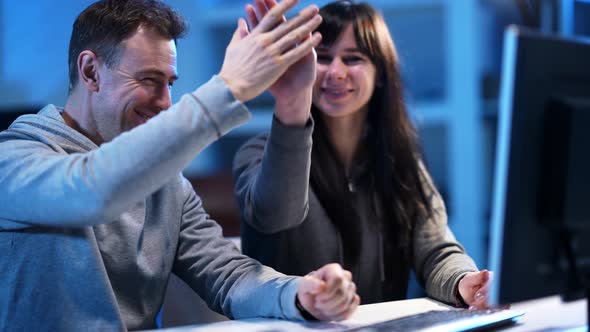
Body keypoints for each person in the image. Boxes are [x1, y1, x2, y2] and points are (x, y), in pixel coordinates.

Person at [0, 0, 360, 330]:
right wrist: (228, 87)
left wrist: (300, 294)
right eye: (148, 80)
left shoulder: (167, 183)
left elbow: (228, 276)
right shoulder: (13, 159)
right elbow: (94, 191)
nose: (165, 102)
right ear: (91, 71)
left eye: (169, 83)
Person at [234, 0, 491, 309]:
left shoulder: (400, 160)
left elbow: (435, 250)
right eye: (323, 58)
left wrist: (465, 282)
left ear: (381, 73)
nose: (336, 72)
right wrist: (292, 102)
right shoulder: (259, 153)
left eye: (353, 58)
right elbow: (276, 214)